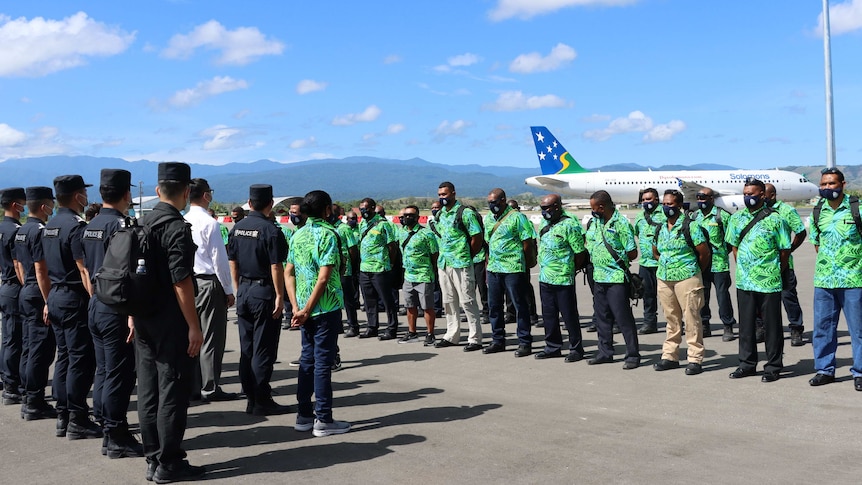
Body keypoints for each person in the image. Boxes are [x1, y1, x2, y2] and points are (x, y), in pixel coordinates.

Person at [134, 162, 205, 483]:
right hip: (170, 320)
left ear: (159, 189)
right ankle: (170, 462)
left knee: (148, 390)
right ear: (187, 191)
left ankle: (153, 459)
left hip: (143, 317)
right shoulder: (176, 227)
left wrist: (133, 316)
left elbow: (132, 277)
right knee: (172, 391)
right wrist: (194, 325)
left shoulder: (141, 222)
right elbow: (181, 281)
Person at [81, 169, 143, 457]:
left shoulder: (90, 225)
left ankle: (108, 429)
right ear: (126, 195)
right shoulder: (120, 226)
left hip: (95, 303)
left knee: (104, 370)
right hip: (116, 307)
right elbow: (127, 273)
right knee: (119, 373)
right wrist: (132, 313)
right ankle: (117, 434)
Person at [285, 190, 350, 437]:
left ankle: (303, 415)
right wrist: (309, 308)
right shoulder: (329, 234)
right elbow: (324, 278)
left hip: (302, 308)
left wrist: (296, 307)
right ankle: (323, 418)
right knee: (323, 362)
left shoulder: (297, 234)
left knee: (307, 360)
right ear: (327, 209)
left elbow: (288, 272)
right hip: (324, 307)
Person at [228, 184, 289, 416]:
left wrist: (237, 288)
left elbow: (232, 260)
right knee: (263, 349)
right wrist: (280, 296)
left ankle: (251, 397)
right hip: (264, 292)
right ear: (270, 204)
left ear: (249, 203)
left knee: (247, 348)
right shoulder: (270, 230)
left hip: (244, 289)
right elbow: (276, 266)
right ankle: (262, 399)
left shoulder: (238, 228)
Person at [725, 178, 790, 383]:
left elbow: (784, 249)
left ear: (762, 195)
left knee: (772, 327)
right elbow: (734, 246)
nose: (748, 197)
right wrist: (745, 268)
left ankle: (773, 366)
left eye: (752, 194)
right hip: (745, 281)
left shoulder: (776, 219)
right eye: (745, 194)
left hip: (769, 281)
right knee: (746, 326)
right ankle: (746, 364)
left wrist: (772, 270)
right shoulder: (736, 219)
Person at [808, 168, 862, 391]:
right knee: (822, 329)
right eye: (824, 184)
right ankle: (824, 369)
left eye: (831, 184)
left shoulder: (856, 208)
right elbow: (816, 242)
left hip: (854, 280)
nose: (827, 188)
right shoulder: (818, 211)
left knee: (858, 330)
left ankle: (859, 372)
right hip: (824, 281)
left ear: (843, 184)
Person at [184, 179, 237, 402]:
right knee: (212, 337)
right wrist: (228, 289)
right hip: (208, 281)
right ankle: (211, 386)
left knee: (192, 335)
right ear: (206, 195)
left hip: (187, 283)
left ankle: (193, 384)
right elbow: (219, 260)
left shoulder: (183, 219)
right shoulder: (210, 223)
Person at [652, 190, 709, 375]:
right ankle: (670, 356)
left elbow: (704, 253)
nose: (667, 207)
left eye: (671, 204)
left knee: (691, 318)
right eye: (665, 204)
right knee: (671, 318)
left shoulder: (691, 226)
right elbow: (656, 251)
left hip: (687, 278)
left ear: (679, 205)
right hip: (665, 278)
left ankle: (694, 358)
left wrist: (692, 270)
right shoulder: (660, 228)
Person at [584, 190, 640, 369]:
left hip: (616, 277)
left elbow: (632, 252)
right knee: (602, 318)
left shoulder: (621, 223)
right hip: (598, 277)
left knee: (623, 318)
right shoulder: (594, 223)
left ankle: (632, 355)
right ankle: (605, 352)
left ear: (601, 207)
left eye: (593, 207)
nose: (592, 210)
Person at [17, 186, 58, 421]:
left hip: (27, 289)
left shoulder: (22, 230)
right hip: (39, 291)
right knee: (41, 350)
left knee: (30, 345)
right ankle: (35, 401)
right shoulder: (40, 231)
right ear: (44, 207)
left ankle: (28, 395)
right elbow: (41, 269)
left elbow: (19, 266)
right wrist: (47, 300)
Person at [482, 189, 537, 357]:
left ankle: (524, 342)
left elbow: (527, 241)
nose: (492, 206)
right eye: (490, 203)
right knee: (494, 306)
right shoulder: (489, 219)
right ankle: (498, 340)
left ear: (503, 200)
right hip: (494, 269)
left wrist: (526, 263)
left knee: (520, 306)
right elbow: (487, 243)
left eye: (495, 202)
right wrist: (488, 261)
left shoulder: (517, 217)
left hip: (513, 269)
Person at [534, 194, 587, 362]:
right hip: (545, 278)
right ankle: (553, 346)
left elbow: (580, 253)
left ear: (557, 206)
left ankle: (576, 348)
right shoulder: (545, 224)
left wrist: (570, 269)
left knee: (569, 315)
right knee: (549, 315)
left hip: (563, 278)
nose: (544, 212)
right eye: (542, 208)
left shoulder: (570, 224)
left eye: (547, 208)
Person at [434, 182, 484, 350]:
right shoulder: (441, 214)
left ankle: (475, 338)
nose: (442, 198)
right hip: (444, 263)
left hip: (461, 262)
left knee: (467, 300)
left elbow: (476, 237)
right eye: (440, 195)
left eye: (445, 194)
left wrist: (468, 254)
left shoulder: (465, 213)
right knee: (448, 301)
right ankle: (452, 335)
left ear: (453, 193)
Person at [764, 183, 806, 347]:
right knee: (763, 300)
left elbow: (801, 232)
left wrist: (790, 250)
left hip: (783, 264)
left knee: (788, 297)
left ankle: (796, 328)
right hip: (762, 267)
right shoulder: (758, 211)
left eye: (764, 195)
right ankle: (762, 328)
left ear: (772, 195)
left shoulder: (787, 211)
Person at [692, 188, 736, 341]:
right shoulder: (694, 216)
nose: (701, 201)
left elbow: (731, 240)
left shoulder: (722, 215)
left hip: (719, 264)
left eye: (703, 197)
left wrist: (723, 252)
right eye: (698, 197)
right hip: (702, 263)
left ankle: (728, 325)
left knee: (722, 295)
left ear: (712, 198)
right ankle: (705, 324)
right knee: (702, 295)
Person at [357, 198, 400, 340]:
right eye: (361, 209)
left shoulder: (383, 224)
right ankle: (372, 327)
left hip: (380, 268)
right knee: (369, 301)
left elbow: (392, 247)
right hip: (364, 268)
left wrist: (390, 264)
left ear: (373, 208)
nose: (364, 212)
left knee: (387, 301)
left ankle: (392, 328)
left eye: (366, 209)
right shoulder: (362, 223)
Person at [398, 205, 438, 346]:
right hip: (408, 276)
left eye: (410, 215)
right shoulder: (401, 232)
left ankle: (430, 333)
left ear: (417, 217)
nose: (407, 218)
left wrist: (432, 272)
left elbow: (434, 254)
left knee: (427, 307)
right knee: (410, 306)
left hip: (424, 275)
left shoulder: (426, 234)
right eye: (405, 215)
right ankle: (412, 332)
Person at [0, 187, 26, 406]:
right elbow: (19, 265)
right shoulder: (16, 231)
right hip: (15, 286)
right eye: (22, 202)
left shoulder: (1, 228)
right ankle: (11, 385)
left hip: (4, 285)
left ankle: (6, 377)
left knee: (8, 337)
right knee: (16, 338)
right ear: (15, 205)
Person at [632, 188, 665, 335]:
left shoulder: (665, 215)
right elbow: (638, 234)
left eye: (649, 199)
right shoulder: (639, 217)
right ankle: (649, 323)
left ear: (656, 200)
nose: (646, 202)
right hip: (645, 263)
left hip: (663, 263)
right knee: (647, 295)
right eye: (644, 200)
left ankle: (676, 323)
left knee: (668, 296)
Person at [330, 204, 361, 337]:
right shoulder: (328, 228)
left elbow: (353, 249)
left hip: (345, 270)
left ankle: (353, 325)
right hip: (332, 270)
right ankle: (337, 325)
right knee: (334, 299)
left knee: (348, 300)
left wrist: (352, 267)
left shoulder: (344, 228)